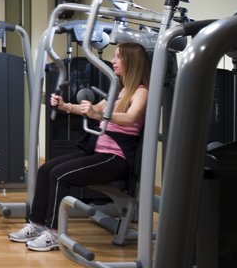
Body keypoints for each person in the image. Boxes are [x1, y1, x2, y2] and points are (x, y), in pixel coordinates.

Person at [9, 42, 150, 251]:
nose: (113, 61)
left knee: (59, 175)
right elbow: (94, 109)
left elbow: (130, 117)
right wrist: (65, 106)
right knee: (46, 170)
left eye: (119, 57)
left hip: (115, 158)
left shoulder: (141, 92)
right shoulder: (120, 91)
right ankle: (37, 224)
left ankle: (55, 234)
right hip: (97, 151)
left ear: (132, 61)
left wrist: (99, 114)